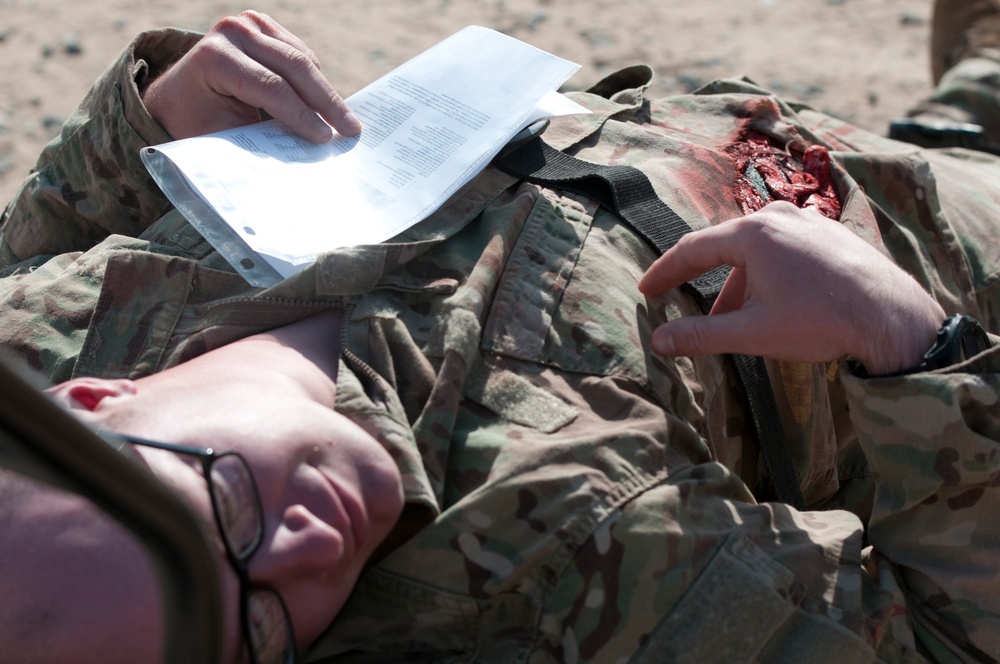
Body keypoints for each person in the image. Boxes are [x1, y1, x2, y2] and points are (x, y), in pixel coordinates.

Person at [0, 5, 998, 664]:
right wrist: (915, 343)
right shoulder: (570, 572)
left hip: (702, 125)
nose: (302, 550)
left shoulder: (26, 363)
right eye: (258, 627)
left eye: (220, 500)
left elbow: (29, 263)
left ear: (94, 397)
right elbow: (953, 637)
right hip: (915, 252)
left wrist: (145, 128)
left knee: (946, 134)